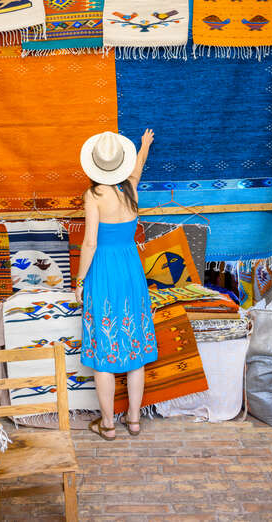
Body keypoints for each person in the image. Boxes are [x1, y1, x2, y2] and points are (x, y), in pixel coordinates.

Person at [75, 129, 158, 440]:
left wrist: (80, 281)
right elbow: (137, 170)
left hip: (105, 271)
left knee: (105, 348)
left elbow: (90, 243)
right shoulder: (131, 190)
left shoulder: (94, 195)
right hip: (131, 269)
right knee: (134, 342)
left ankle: (108, 423)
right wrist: (144, 147)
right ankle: (134, 420)